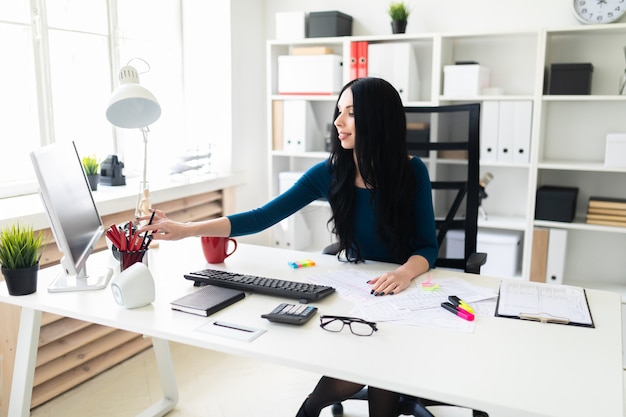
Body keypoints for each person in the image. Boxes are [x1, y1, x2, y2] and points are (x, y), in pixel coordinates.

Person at [138, 77, 438, 417]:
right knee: (368, 363)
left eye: (351, 113)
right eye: (339, 111)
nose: (338, 122)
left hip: (402, 289)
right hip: (357, 288)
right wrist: (186, 229)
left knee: (380, 366)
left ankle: (311, 410)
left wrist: (403, 272)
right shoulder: (330, 173)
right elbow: (261, 217)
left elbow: (427, 247)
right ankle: (309, 410)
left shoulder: (412, 172)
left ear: (378, 119)